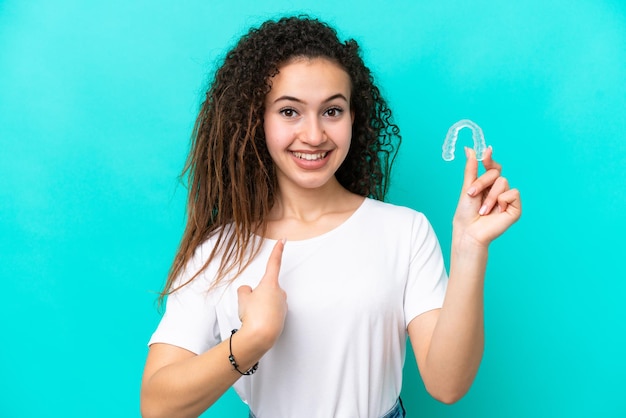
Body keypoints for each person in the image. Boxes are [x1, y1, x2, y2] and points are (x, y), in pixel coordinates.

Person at [140, 15, 521, 418]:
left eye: (332, 111)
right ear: (257, 120)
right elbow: (158, 405)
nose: (315, 135)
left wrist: (468, 248)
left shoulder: (404, 231)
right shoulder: (219, 251)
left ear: (353, 117)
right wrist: (251, 340)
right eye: (289, 112)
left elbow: (447, 385)